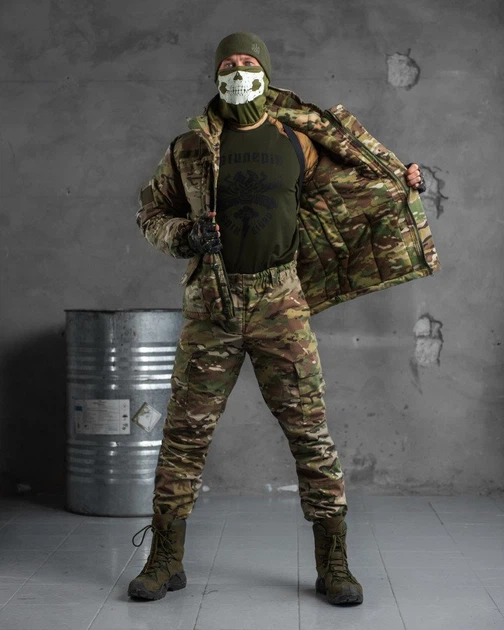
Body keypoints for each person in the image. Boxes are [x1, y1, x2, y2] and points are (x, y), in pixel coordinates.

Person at [128, 32, 438, 606]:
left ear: (265, 71)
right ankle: (165, 558)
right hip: (211, 307)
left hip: (281, 305)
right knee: (184, 436)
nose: (237, 70)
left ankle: (334, 564)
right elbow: (150, 212)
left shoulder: (298, 140)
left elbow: (354, 188)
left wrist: (402, 180)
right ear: (216, 75)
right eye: (228, 63)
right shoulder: (190, 147)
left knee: (309, 433)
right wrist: (184, 235)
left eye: (247, 62)